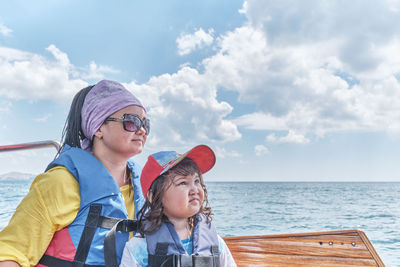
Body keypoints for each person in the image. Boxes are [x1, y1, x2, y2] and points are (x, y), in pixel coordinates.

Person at [0, 80, 149, 267]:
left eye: (145, 123)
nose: (142, 130)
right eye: (131, 121)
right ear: (98, 128)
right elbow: (9, 254)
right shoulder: (61, 183)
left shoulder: (145, 189)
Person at [119, 145, 237, 267]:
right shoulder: (139, 248)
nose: (194, 190)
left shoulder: (216, 244)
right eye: (183, 183)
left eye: (196, 181)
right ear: (154, 196)